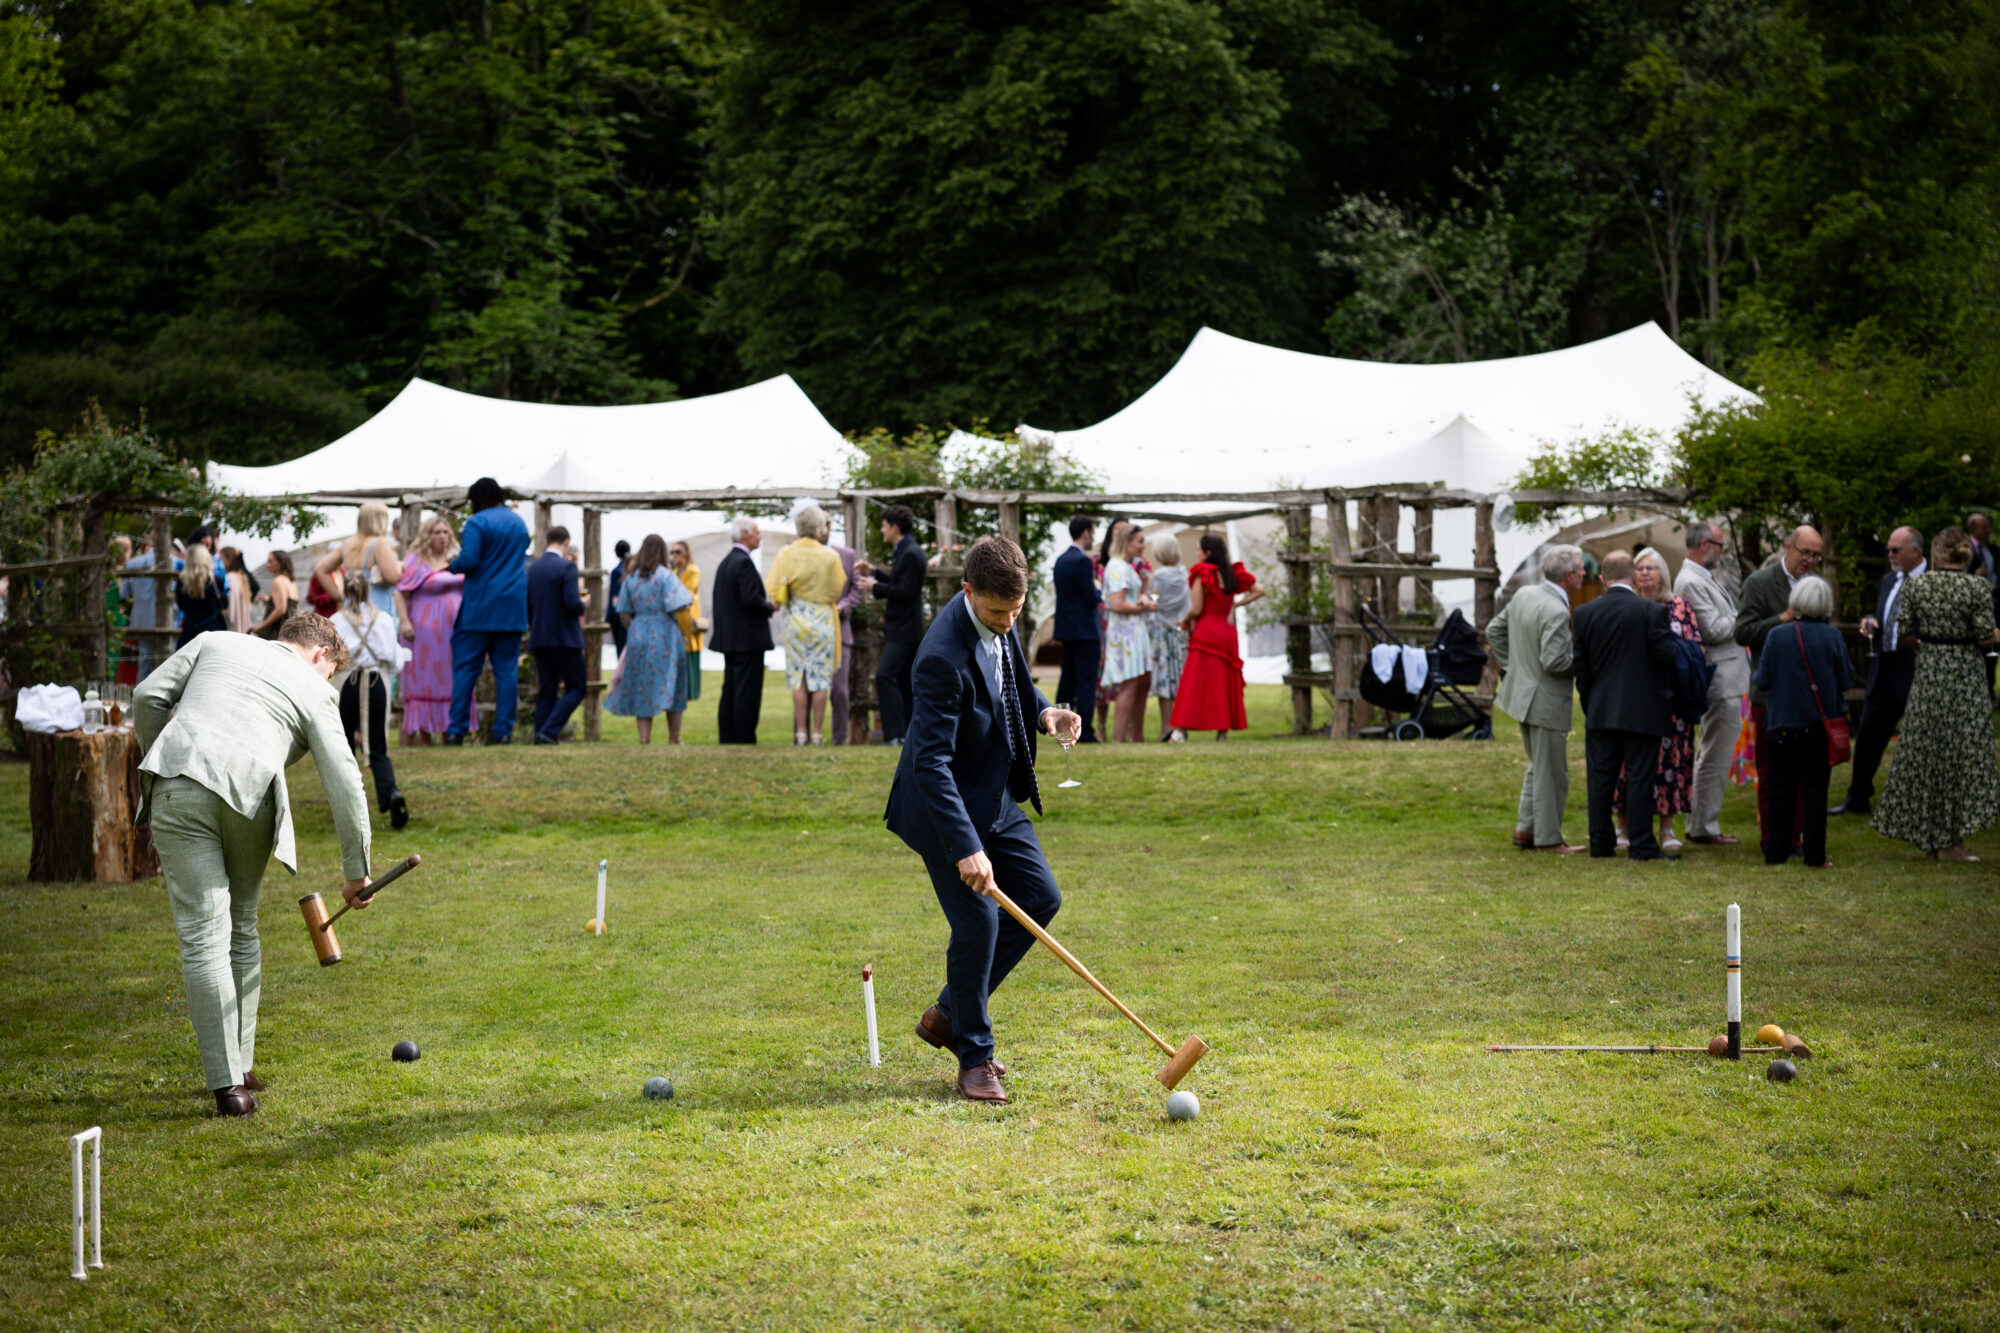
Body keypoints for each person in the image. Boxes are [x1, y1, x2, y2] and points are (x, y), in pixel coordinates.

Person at [132, 615, 375, 1117]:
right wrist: (356, 871)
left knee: (204, 934)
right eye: (330, 672)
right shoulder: (313, 685)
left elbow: (146, 697)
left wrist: (167, 753)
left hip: (178, 784)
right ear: (320, 655)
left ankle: (231, 1083)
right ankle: (235, 1071)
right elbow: (345, 779)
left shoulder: (214, 641)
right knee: (238, 926)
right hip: (250, 797)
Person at [884, 536, 1083, 1104]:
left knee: (1041, 899)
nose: (1007, 622)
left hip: (993, 796)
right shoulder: (940, 658)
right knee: (979, 926)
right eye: (998, 612)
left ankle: (949, 1013)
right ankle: (974, 1058)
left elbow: (1011, 684)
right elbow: (930, 762)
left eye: (1016, 611)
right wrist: (966, 847)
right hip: (943, 808)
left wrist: (1045, 711)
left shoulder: (1002, 614)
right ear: (968, 592)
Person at [1872, 526, 2000, 860]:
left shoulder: (1918, 585)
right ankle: (1950, 843)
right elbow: (1985, 635)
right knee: (1960, 756)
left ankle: (1933, 838)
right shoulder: (1977, 586)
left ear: (1936, 552)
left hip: (1929, 673)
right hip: (1964, 678)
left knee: (1927, 755)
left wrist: (1928, 648)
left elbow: (1905, 632)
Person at [1573, 549, 1681, 860]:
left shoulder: (1584, 614)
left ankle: (1602, 843)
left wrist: (1591, 702)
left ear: (1602, 579)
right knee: (1640, 778)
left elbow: (1581, 668)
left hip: (1601, 709)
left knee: (1600, 780)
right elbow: (1667, 657)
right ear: (1634, 577)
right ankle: (1643, 845)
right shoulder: (1650, 612)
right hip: (1643, 709)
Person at [1487, 545, 1587, 853]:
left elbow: (1494, 631)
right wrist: (1589, 663)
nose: (1585, 572)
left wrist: (1514, 666)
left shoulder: (1525, 595)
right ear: (1570, 575)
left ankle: (1525, 830)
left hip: (1523, 695)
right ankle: (1549, 839)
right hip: (1544, 701)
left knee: (1538, 766)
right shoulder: (1555, 610)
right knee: (1552, 773)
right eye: (1581, 568)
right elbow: (1555, 661)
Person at [1749, 575, 1849, 867]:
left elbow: (1762, 680)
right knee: (1815, 791)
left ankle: (1775, 852)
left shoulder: (1777, 635)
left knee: (1781, 789)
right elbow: (1844, 677)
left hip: (1781, 723)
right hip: (1818, 725)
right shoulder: (1832, 636)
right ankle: (1815, 855)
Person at [1734, 525, 1823, 852]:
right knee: (1771, 772)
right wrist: (1782, 618)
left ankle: (1796, 837)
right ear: (1788, 547)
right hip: (1770, 696)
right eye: (1805, 553)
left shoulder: (1817, 585)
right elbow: (1742, 632)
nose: (1810, 560)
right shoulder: (1759, 583)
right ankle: (1773, 837)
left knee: (1804, 772)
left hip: (1807, 696)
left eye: (1816, 555)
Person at [1830, 526, 1926, 817]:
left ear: (1916, 552)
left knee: (1918, 738)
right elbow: (1885, 615)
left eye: (1896, 550)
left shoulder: (1932, 582)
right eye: (1888, 549)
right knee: (1870, 733)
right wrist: (1871, 621)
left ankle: (1916, 802)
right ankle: (1857, 797)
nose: (1890, 555)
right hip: (1883, 665)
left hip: (1914, 665)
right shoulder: (1889, 580)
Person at [1613, 548, 1701, 855]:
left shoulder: (1679, 607)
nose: (1646, 572)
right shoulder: (1627, 605)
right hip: (1634, 700)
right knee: (1627, 764)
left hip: (1672, 702)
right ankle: (1623, 827)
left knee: (1671, 763)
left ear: (1663, 572)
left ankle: (1666, 829)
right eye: (1640, 568)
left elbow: (1694, 650)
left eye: (1652, 567)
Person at [1674, 520, 1748, 846]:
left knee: (1713, 752)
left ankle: (1702, 823)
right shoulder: (1690, 581)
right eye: (1719, 545)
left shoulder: (1702, 577)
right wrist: (1744, 613)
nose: (1721, 552)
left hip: (1727, 676)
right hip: (1719, 678)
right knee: (1714, 755)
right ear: (1705, 545)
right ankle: (1703, 826)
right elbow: (1714, 629)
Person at [446, 478, 530, 745]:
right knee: (507, 672)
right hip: (512, 609)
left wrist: (452, 565)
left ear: (478, 500)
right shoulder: (518, 523)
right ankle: (504, 732)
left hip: (480, 608)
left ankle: (456, 731)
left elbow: (469, 560)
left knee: (466, 670)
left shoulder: (477, 522)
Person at [333, 572, 408, 830]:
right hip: (376, 683)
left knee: (343, 749)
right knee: (378, 746)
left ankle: (349, 805)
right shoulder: (385, 619)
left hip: (348, 686)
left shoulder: (335, 621)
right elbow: (395, 660)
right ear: (368, 591)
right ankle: (391, 793)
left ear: (346, 591)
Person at [766, 506, 848, 745]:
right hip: (822, 619)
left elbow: (773, 589)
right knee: (821, 680)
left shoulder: (785, 553)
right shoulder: (830, 556)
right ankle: (817, 734)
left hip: (795, 619)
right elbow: (837, 589)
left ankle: (800, 733)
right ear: (818, 527)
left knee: (798, 678)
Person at [1170, 534, 1264, 739]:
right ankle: (1222, 732)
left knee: (1196, 683)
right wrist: (1235, 605)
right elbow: (1259, 590)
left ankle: (1180, 731)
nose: (1196, 554)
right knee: (1224, 682)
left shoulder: (1202, 573)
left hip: (1206, 632)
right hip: (1227, 632)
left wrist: (1184, 620)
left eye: (1198, 550)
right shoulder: (1231, 573)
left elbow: (1197, 608)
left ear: (1207, 553)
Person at [606, 534, 695, 744]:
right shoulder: (666, 576)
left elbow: (623, 612)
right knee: (672, 682)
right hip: (665, 634)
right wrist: (688, 600)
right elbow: (679, 604)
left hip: (638, 633)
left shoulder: (631, 578)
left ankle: (644, 739)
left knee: (642, 685)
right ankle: (674, 737)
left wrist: (635, 630)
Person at [860, 504, 928, 744]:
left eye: (884, 525)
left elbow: (905, 591)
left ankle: (895, 734)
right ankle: (907, 734)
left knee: (884, 675)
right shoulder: (906, 551)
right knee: (902, 680)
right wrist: (876, 573)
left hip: (904, 630)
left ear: (895, 527)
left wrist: (873, 587)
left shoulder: (910, 553)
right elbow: (900, 582)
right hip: (905, 629)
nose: (881, 530)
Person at [393, 516, 462, 741]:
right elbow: (399, 592)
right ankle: (424, 733)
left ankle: (451, 731)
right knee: (426, 681)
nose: (442, 536)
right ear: (427, 536)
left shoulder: (458, 559)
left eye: (445, 532)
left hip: (454, 631)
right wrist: (404, 621)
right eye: (437, 532)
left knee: (453, 680)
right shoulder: (416, 561)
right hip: (424, 632)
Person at [710, 517, 776, 744]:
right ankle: (744, 736)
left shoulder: (726, 562)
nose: (760, 536)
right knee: (746, 691)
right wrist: (770, 607)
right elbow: (750, 600)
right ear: (745, 534)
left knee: (730, 689)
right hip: (747, 640)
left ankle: (728, 735)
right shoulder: (744, 563)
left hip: (731, 639)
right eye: (757, 532)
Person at [526, 525, 589, 746]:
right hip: (564, 638)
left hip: (540, 637)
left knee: (547, 690)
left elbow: (529, 606)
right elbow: (571, 603)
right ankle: (550, 731)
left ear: (545, 542)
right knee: (577, 687)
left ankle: (540, 734)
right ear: (566, 543)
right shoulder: (567, 568)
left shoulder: (532, 569)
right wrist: (583, 605)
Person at [1100, 522, 1155, 741]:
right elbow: (1117, 604)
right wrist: (1145, 606)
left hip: (1134, 631)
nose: (1144, 545)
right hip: (1125, 634)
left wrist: (1143, 593)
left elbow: (1129, 598)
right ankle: (1118, 738)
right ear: (1127, 542)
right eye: (1140, 541)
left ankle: (1137, 737)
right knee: (1129, 684)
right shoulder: (1117, 567)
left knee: (1140, 683)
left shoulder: (1127, 566)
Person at [1052, 515, 1103, 742]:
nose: (1094, 537)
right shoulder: (1082, 561)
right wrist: (1098, 589)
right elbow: (1091, 599)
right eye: (1093, 532)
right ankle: (1086, 731)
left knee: (1068, 679)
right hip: (1085, 630)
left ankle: (1060, 726)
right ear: (1085, 533)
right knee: (1086, 681)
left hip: (1066, 629)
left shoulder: (1061, 560)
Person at [312, 501, 403, 624]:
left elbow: (320, 569)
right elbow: (392, 577)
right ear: (381, 520)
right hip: (376, 609)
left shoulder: (347, 544)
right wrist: (400, 566)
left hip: (350, 607)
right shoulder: (380, 543)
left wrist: (339, 596)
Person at [1145, 535, 1189, 742]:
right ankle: (1181, 728)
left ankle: (1166, 728)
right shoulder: (1184, 573)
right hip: (1180, 631)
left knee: (1165, 682)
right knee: (1180, 680)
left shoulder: (1159, 576)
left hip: (1162, 632)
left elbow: (1155, 602)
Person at [829, 531, 866, 745]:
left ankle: (839, 739)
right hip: (810, 633)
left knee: (840, 690)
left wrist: (843, 606)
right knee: (806, 689)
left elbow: (857, 588)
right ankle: (804, 737)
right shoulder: (800, 554)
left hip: (840, 631)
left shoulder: (847, 555)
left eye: (826, 523)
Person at [668, 539, 704, 705]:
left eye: (677, 552)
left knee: (690, 650)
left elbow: (687, 592)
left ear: (686, 554)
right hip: (676, 617)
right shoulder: (674, 571)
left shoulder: (692, 571)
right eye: (672, 552)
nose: (674, 555)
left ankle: (691, 690)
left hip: (688, 617)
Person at [1969, 511, 2000, 701]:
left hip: (1993, 605)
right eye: (1984, 527)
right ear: (1972, 528)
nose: (1988, 530)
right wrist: (1974, 576)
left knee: (1992, 647)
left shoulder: (1993, 550)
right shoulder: (1963, 548)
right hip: (1971, 608)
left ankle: (1989, 690)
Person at [174, 552, 228, 648]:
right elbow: (225, 604)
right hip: (212, 630)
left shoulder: (182, 582)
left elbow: (180, 605)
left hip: (190, 631)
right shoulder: (216, 580)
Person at [250, 550, 297, 640]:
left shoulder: (278, 581)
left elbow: (281, 609)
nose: (267, 564)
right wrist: (269, 601)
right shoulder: (290, 581)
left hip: (279, 630)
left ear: (281, 563)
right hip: (291, 629)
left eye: (270, 561)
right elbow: (290, 605)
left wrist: (259, 628)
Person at [219, 547, 258, 634]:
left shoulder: (229, 578)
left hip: (233, 628)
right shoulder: (241, 576)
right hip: (243, 629)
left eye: (220, 559)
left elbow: (230, 608)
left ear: (228, 560)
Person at [607, 539, 632, 655]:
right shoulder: (635, 569)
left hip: (620, 617)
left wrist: (610, 619)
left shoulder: (616, 572)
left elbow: (614, 597)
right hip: (634, 616)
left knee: (622, 653)